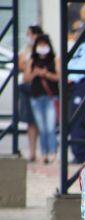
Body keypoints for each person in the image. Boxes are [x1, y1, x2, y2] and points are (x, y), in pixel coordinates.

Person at [22, 34, 60, 164]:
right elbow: (26, 78)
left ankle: (53, 153)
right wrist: (35, 73)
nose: (42, 47)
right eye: (40, 45)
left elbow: (59, 76)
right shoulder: (32, 61)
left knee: (50, 127)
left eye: (44, 44)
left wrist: (46, 74)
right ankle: (44, 153)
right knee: (42, 128)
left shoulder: (54, 60)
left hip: (50, 97)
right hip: (36, 98)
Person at [67, 23, 85, 163]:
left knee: (78, 118)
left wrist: (71, 78)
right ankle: (78, 153)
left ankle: (80, 154)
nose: (78, 33)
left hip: (84, 83)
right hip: (76, 83)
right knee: (75, 118)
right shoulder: (78, 45)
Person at [17, 25, 43, 162]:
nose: (29, 37)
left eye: (30, 34)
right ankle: (32, 152)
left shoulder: (44, 48)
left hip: (40, 88)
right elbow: (20, 64)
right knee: (30, 122)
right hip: (27, 87)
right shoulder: (26, 50)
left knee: (43, 122)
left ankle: (45, 153)